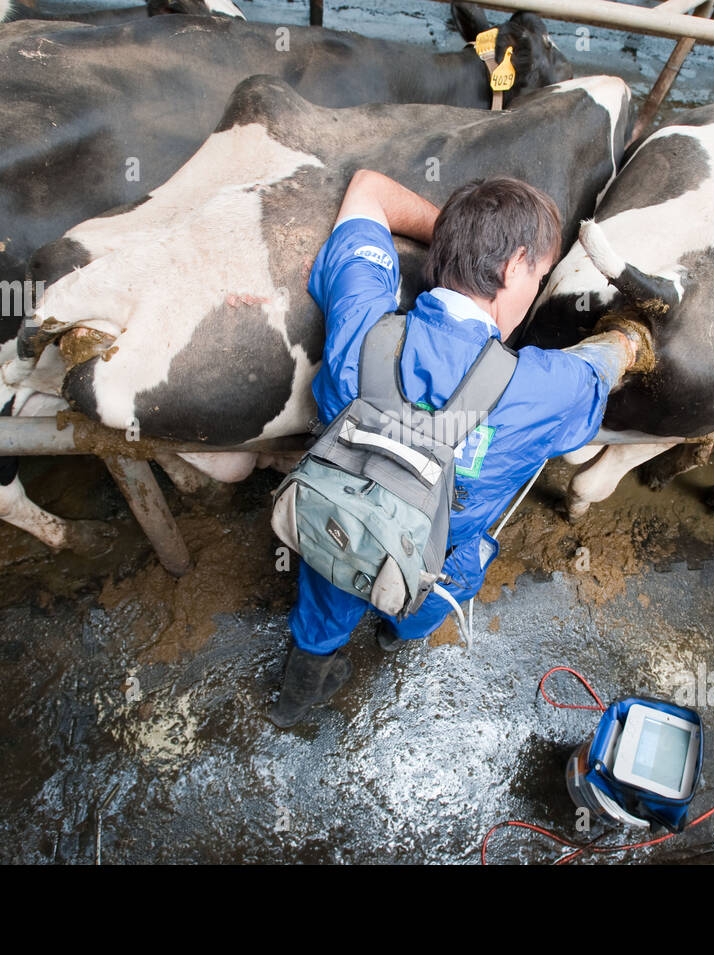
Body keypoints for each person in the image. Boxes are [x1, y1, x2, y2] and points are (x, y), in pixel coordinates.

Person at [269, 170, 648, 728]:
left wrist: (454, 233)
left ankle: (296, 698)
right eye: (539, 273)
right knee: (441, 588)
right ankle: (395, 638)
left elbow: (368, 190)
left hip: (339, 530)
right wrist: (631, 338)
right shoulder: (543, 389)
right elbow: (601, 367)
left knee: (326, 597)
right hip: (438, 565)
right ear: (515, 266)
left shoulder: (362, 318)